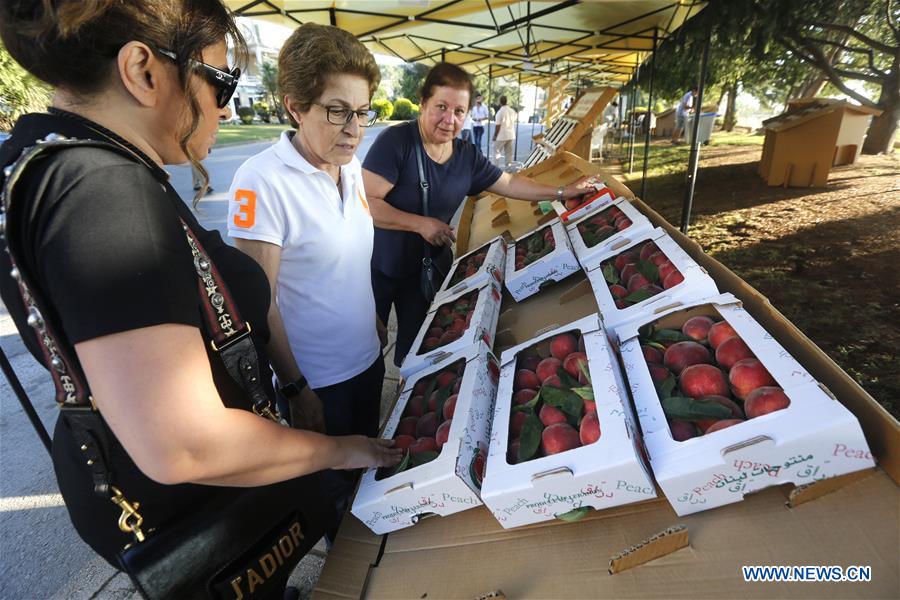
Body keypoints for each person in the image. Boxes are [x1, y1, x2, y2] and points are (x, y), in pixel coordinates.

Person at [0, 0, 400, 584]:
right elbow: (187, 443)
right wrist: (342, 450)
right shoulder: (103, 190)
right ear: (142, 70)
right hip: (190, 504)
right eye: (220, 80)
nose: (229, 104)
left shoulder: (52, 162)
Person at [227, 23, 386, 516]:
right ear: (295, 106)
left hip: (368, 360)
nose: (354, 129)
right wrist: (296, 387)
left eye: (361, 112)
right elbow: (260, 302)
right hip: (319, 381)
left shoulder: (350, 165)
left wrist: (374, 318)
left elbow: (350, 257)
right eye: (337, 112)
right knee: (335, 503)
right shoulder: (260, 182)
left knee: (372, 481)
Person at [363, 63, 597, 368]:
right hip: (378, 269)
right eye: (441, 107)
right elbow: (366, 201)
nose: (450, 119)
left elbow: (510, 183)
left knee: (413, 356)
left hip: (424, 275)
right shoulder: (396, 143)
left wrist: (562, 192)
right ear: (423, 104)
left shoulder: (466, 156)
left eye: (459, 111)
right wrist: (419, 224)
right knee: (365, 353)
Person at [492, 95, 517, 168]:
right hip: (511, 134)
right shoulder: (512, 111)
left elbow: (498, 126)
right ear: (507, 101)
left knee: (496, 151)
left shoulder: (500, 112)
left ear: (500, 102)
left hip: (501, 135)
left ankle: (495, 168)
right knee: (508, 152)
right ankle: (508, 168)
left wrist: (495, 136)